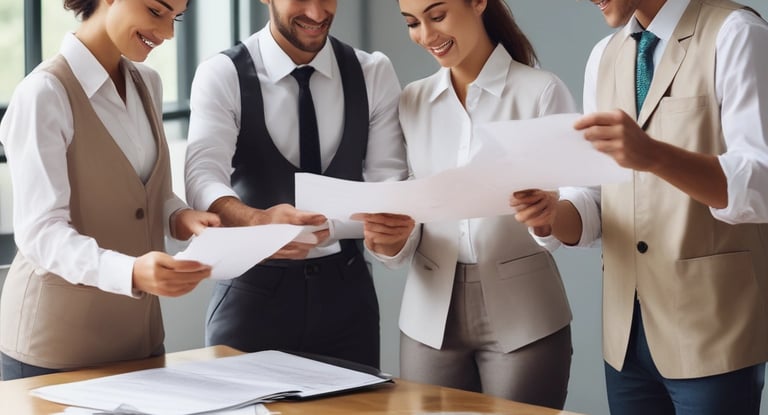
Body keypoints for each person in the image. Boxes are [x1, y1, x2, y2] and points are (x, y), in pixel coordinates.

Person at [512, 0, 768, 413]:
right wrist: (551, 216)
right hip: (626, 338)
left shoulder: (736, 32)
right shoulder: (604, 56)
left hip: (713, 331)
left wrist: (654, 155)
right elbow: (596, 199)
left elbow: (761, 183)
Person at [355, 0, 574, 408]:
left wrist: (547, 217)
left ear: (478, 3)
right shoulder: (411, 101)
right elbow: (409, 212)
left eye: (437, 16)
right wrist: (392, 241)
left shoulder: (541, 91)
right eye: (412, 23)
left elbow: (574, 209)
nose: (426, 35)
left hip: (525, 316)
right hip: (427, 318)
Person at [0, 0, 220, 380]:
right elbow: (40, 234)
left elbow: (146, 188)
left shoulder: (147, 82)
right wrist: (132, 271)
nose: (168, 33)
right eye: (156, 11)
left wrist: (179, 215)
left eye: (176, 18)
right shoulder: (44, 94)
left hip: (140, 340)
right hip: (56, 347)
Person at [184, 0, 407, 369]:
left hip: (348, 299)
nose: (317, 13)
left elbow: (387, 185)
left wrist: (370, 227)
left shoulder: (373, 73)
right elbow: (202, 177)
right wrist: (258, 221)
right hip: (251, 296)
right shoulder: (222, 74)